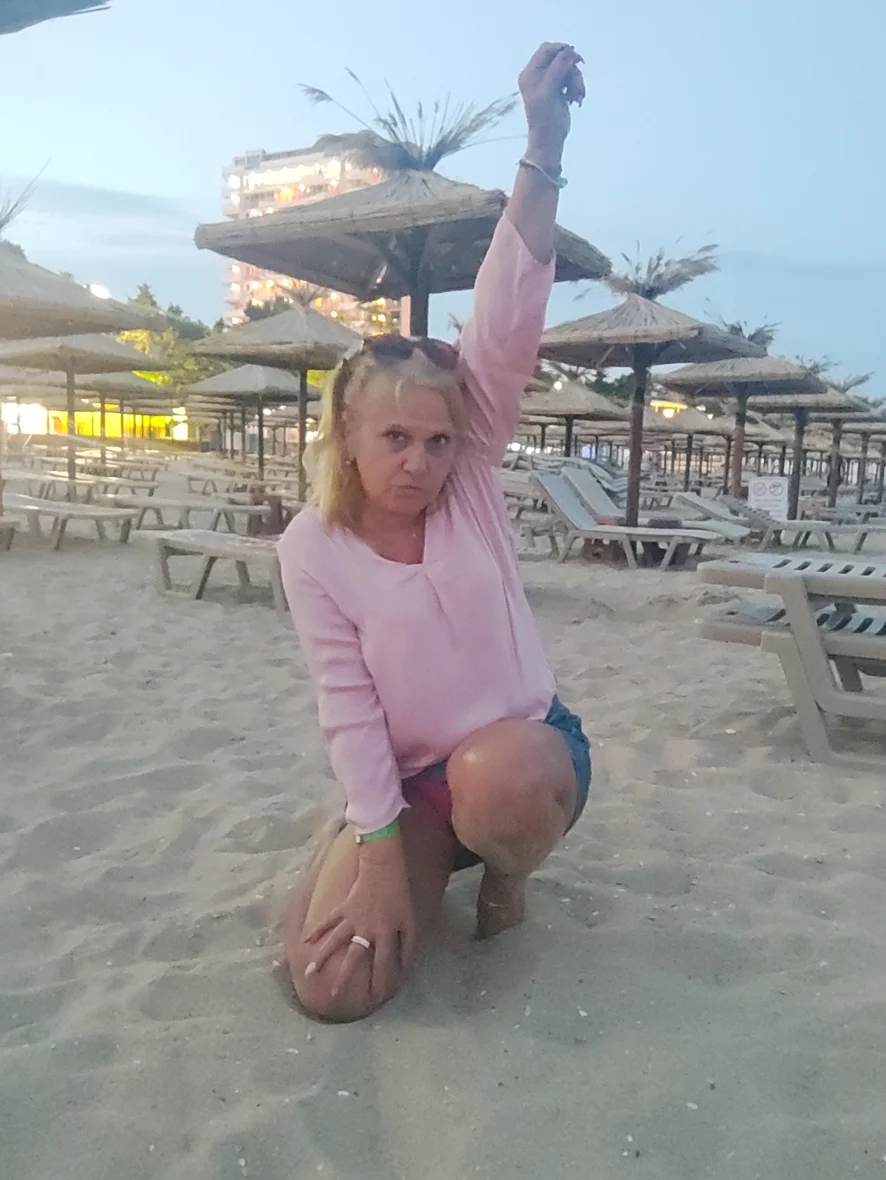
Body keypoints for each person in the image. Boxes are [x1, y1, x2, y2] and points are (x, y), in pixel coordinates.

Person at [277, 42, 591, 1023]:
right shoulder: (311, 547)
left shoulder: (470, 482)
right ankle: (367, 841)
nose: (420, 460)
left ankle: (506, 874)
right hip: (415, 785)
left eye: (438, 438)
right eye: (396, 439)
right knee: (333, 985)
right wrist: (376, 843)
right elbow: (347, 706)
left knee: (493, 777)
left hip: (520, 761)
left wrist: (542, 145)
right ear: (347, 435)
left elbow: (504, 318)